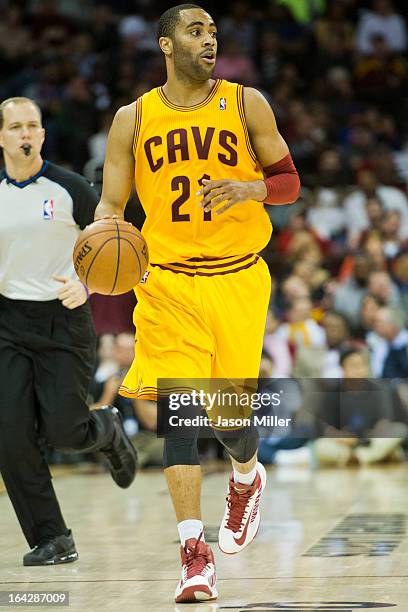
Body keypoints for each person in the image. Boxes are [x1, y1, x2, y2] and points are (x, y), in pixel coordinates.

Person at [95, 4, 300, 604]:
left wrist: (250, 187)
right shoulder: (133, 119)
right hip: (168, 281)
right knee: (179, 407)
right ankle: (193, 551)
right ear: (165, 44)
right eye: (194, 31)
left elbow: (290, 182)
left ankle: (246, 473)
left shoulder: (245, 103)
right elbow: (112, 206)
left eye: (213, 32)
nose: (209, 40)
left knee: (228, 419)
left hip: (237, 278)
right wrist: (97, 249)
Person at [0, 97, 137, 566]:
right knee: (11, 436)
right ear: (1, 136)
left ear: (41, 135)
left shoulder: (69, 187)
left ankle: (105, 427)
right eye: (15, 126)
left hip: (63, 316)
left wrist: (87, 284)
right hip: (7, 323)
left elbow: (119, 238)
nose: (24, 134)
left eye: (32, 126)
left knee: (63, 428)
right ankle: (53, 537)